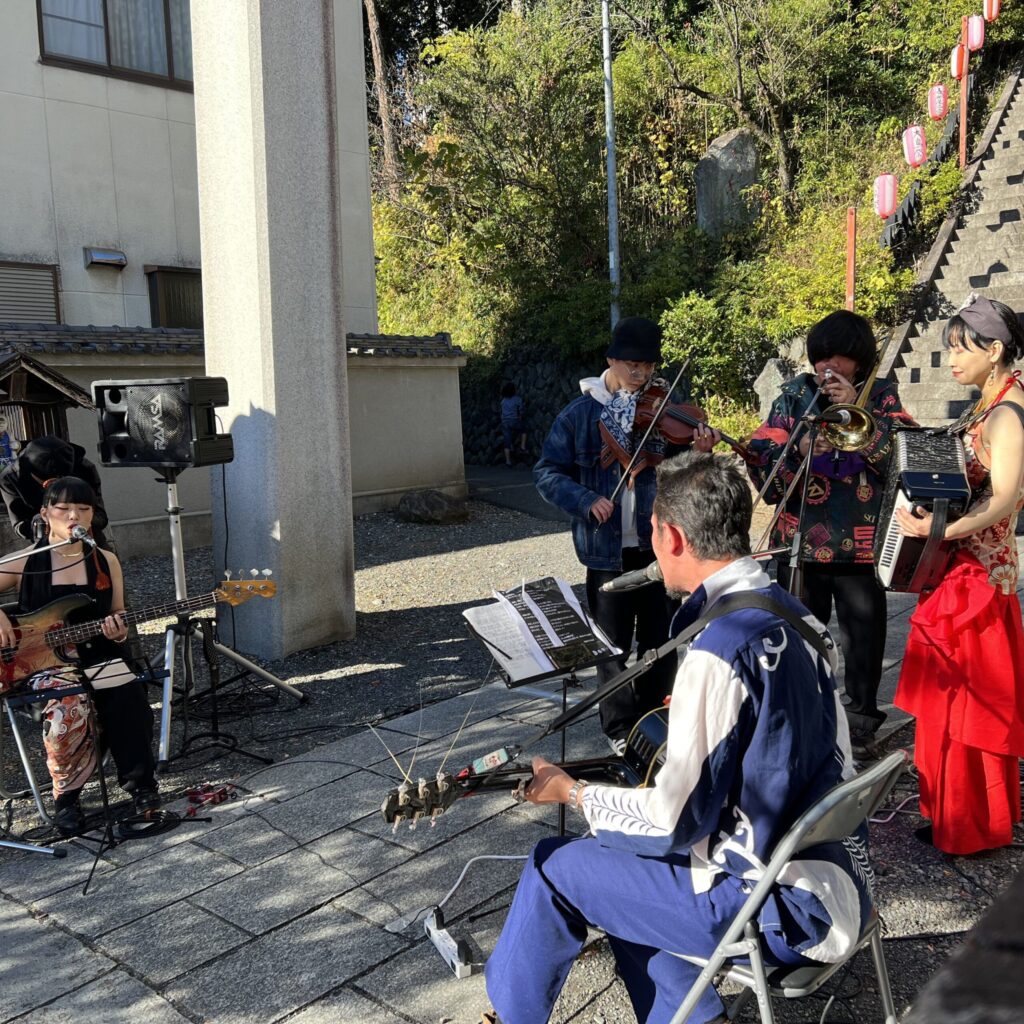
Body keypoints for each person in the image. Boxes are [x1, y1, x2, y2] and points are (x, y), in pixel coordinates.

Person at [481, 453, 871, 1024]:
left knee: (553, 864)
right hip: (835, 881)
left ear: (673, 536)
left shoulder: (720, 646)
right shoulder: (797, 616)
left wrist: (572, 794)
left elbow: (671, 824)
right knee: (615, 860)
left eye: (652, 535)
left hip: (771, 907)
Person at [534, 317, 718, 753]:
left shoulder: (662, 409)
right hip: (604, 551)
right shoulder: (580, 414)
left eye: (649, 366)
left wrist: (698, 452)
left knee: (661, 642)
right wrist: (584, 500)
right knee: (611, 647)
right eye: (633, 365)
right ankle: (618, 729)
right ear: (611, 360)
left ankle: (657, 717)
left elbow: (681, 476)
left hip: (659, 548)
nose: (641, 375)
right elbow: (545, 472)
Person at [745, 310, 913, 755]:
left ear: (859, 360)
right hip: (800, 541)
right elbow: (761, 449)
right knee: (797, 633)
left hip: (860, 541)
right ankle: (803, 710)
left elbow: (907, 453)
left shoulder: (881, 396)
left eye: (839, 360)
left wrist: (861, 410)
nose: (828, 368)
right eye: (821, 359)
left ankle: (859, 721)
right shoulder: (793, 396)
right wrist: (798, 445)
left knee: (863, 637)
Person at [894, 296, 1024, 856]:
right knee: (948, 701)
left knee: (969, 706)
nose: (950, 359)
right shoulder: (985, 405)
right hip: (960, 572)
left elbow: (1005, 500)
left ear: (993, 351)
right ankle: (952, 814)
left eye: (958, 348)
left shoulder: (1009, 413)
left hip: (981, 579)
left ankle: (973, 824)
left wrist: (936, 533)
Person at [0, 476, 158, 835]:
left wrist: (120, 630)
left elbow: (118, 615)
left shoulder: (105, 560)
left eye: (83, 508)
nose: (74, 515)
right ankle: (66, 799)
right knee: (68, 702)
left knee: (128, 695)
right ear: (45, 513)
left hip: (97, 654)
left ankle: (141, 786)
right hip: (39, 664)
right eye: (64, 508)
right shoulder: (27, 561)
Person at [0, 436, 110, 547]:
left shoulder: (84, 468)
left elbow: (101, 517)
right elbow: (19, 525)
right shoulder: (11, 478)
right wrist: (40, 523)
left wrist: (80, 519)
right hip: (45, 543)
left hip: (87, 537)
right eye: (47, 484)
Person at [500, 382, 528, 467]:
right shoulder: (517, 399)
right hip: (514, 420)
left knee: (507, 440)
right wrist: (520, 416)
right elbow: (522, 409)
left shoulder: (503, 400)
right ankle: (522, 447)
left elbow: (502, 411)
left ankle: (508, 461)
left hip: (505, 422)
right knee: (524, 430)